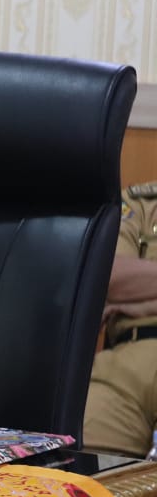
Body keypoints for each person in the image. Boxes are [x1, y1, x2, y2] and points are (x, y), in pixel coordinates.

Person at [82, 183, 157, 457]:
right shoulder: (139, 204)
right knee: (76, 468)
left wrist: (139, 300)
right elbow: (109, 276)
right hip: (122, 369)